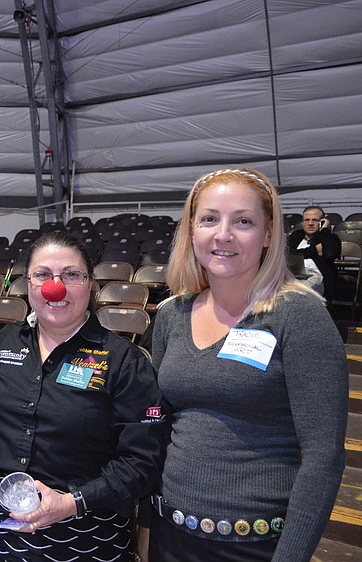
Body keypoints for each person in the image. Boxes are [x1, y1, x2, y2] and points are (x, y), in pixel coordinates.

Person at [143, 169, 347, 562]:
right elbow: (158, 428)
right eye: (209, 219)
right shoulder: (172, 314)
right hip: (170, 535)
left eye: (243, 221)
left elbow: (324, 456)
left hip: (254, 546)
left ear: (269, 234)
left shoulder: (300, 316)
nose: (223, 234)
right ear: (191, 230)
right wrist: (146, 528)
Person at [0, 231, 164, 562]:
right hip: (2, 535)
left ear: (90, 284)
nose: (56, 287)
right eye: (43, 275)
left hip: (88, 536)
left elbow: (143, 460)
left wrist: (72, 502)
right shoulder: (1, 343)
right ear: (28, 284)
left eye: (71, 275)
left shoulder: (124, 361)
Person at [286, 206, 340, 302]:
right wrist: (315, 251)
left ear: (322, 222)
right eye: (307, 220)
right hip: (293, 275)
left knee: (297, 292)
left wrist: (325, 230)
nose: (310, 223)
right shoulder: (295, 237)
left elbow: (330, 254)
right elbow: (287, 254)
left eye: (315, 220)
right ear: (302, 223)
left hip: (315, 276)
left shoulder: (329, 238)